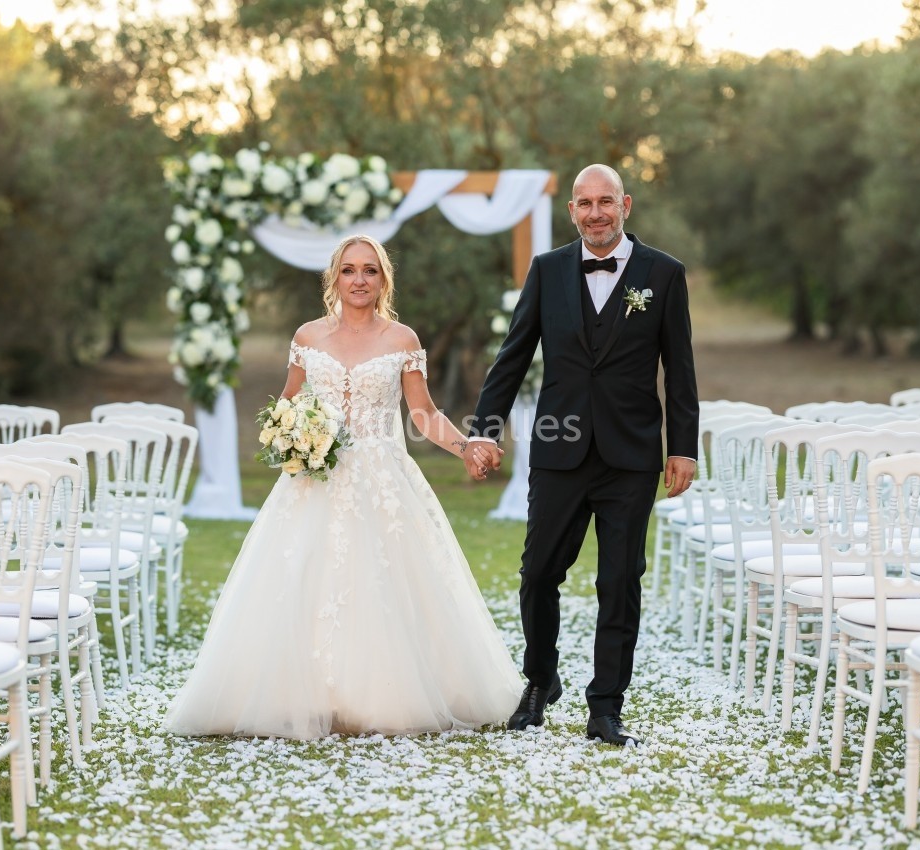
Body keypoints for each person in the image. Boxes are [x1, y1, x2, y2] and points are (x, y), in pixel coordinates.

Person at [165, 234, 521, 740]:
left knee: (386, 585)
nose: (359, 280)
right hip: (315, 479)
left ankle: (383, 697)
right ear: (334, 276)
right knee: (301, 583)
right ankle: (298, 698)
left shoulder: (402, 341)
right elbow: (286, 405)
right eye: (350, 270)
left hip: (383, 482)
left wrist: (466, 446)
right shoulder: (308, 338)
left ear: (383, 280)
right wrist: (292, 438)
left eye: (370, 271)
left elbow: (423, 413)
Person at [465, 164, 700, 746]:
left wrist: (685, 448)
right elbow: (513, 355)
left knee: (619, 581)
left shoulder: (663, 275)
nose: (596, 213)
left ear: (625, 205)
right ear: (571, 211)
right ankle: (541, 682)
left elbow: (681, 369)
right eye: (584, 204)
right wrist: (484, 431)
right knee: (538, 572)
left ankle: (606, 706)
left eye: (606, 202)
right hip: (558, 448)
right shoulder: (547, 271)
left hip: (631, 455)